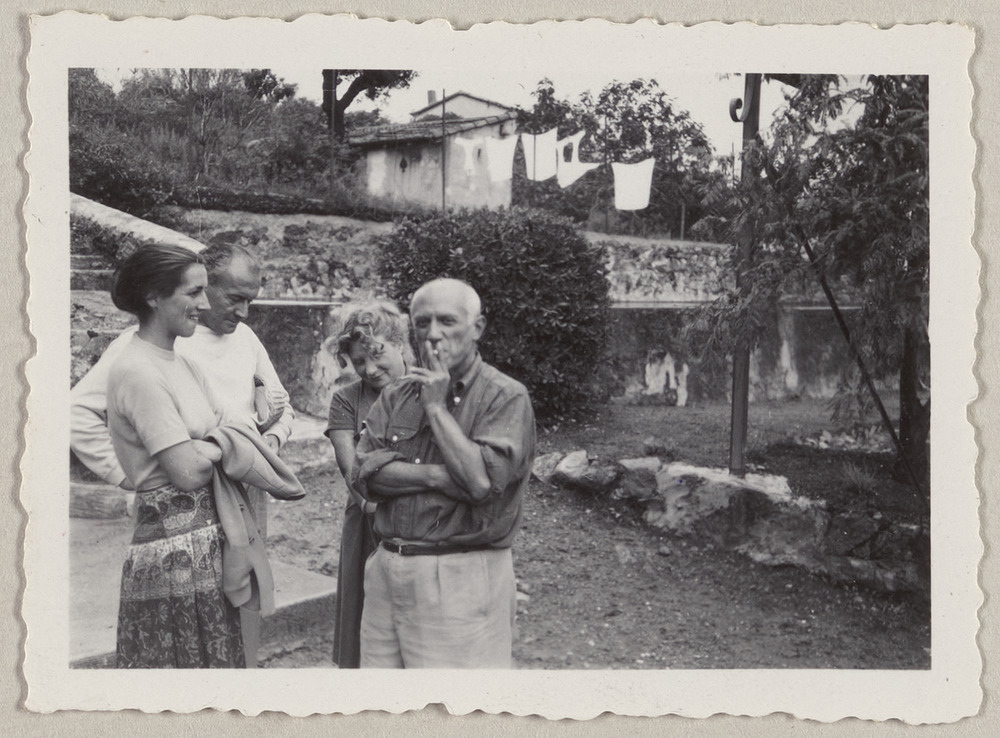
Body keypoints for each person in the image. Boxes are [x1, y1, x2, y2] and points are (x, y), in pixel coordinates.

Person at [70, 242, 293, 667]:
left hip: (233, 499)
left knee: (235, 625)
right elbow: (78, 412)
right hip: (178, 524)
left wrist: (257, 443)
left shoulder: (226, 345)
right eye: (232, 297)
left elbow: (270, 410)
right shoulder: (141, 355)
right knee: (180, 654)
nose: (242, 312)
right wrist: (132, 474)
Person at [352, 278, 536, 668]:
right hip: (386, 570)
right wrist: (437, 477)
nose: (433, 334)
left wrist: (436, 408)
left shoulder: (505, 396)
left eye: (447, 321)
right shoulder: (397, 393)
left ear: (477, 327)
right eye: (423, 322)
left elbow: (479, 483)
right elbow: (365, 476)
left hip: (460, 576)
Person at [105, 243, 244, 668]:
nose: (206, 304)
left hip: (207, 549)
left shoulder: (182, 364)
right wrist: (220, 445)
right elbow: (187, 472)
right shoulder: (138, 370)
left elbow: (233, 427)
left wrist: (211, 444)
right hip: (169, 561)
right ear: (153, 296)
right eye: (193, 292)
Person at [324, 301, 411, 668]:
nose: (369, 369)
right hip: (367, 519)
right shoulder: (347, 400)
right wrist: (372, 506)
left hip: (424, 523)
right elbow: (352, 470)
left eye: (377, 355)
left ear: (399, 343)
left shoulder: (430, 389)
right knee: (364, 617)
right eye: (359, 361)